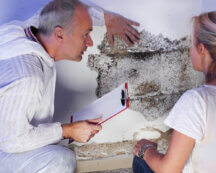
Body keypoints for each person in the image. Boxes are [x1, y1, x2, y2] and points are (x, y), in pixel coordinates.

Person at [0, 0, 139, 172]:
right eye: (85, 35)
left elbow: (64, 8)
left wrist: (107, 19)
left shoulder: (28, 30)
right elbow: (11, 140)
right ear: (59, 35)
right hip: (5, 142)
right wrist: (67, 130)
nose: (90, 43)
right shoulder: (29, 77)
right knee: (61, 160)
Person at [133, 10, 216, 173]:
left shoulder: (196, 101)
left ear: (201, 49)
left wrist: (145, 150)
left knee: (140, 162)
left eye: (191, 43)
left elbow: (169, 170)